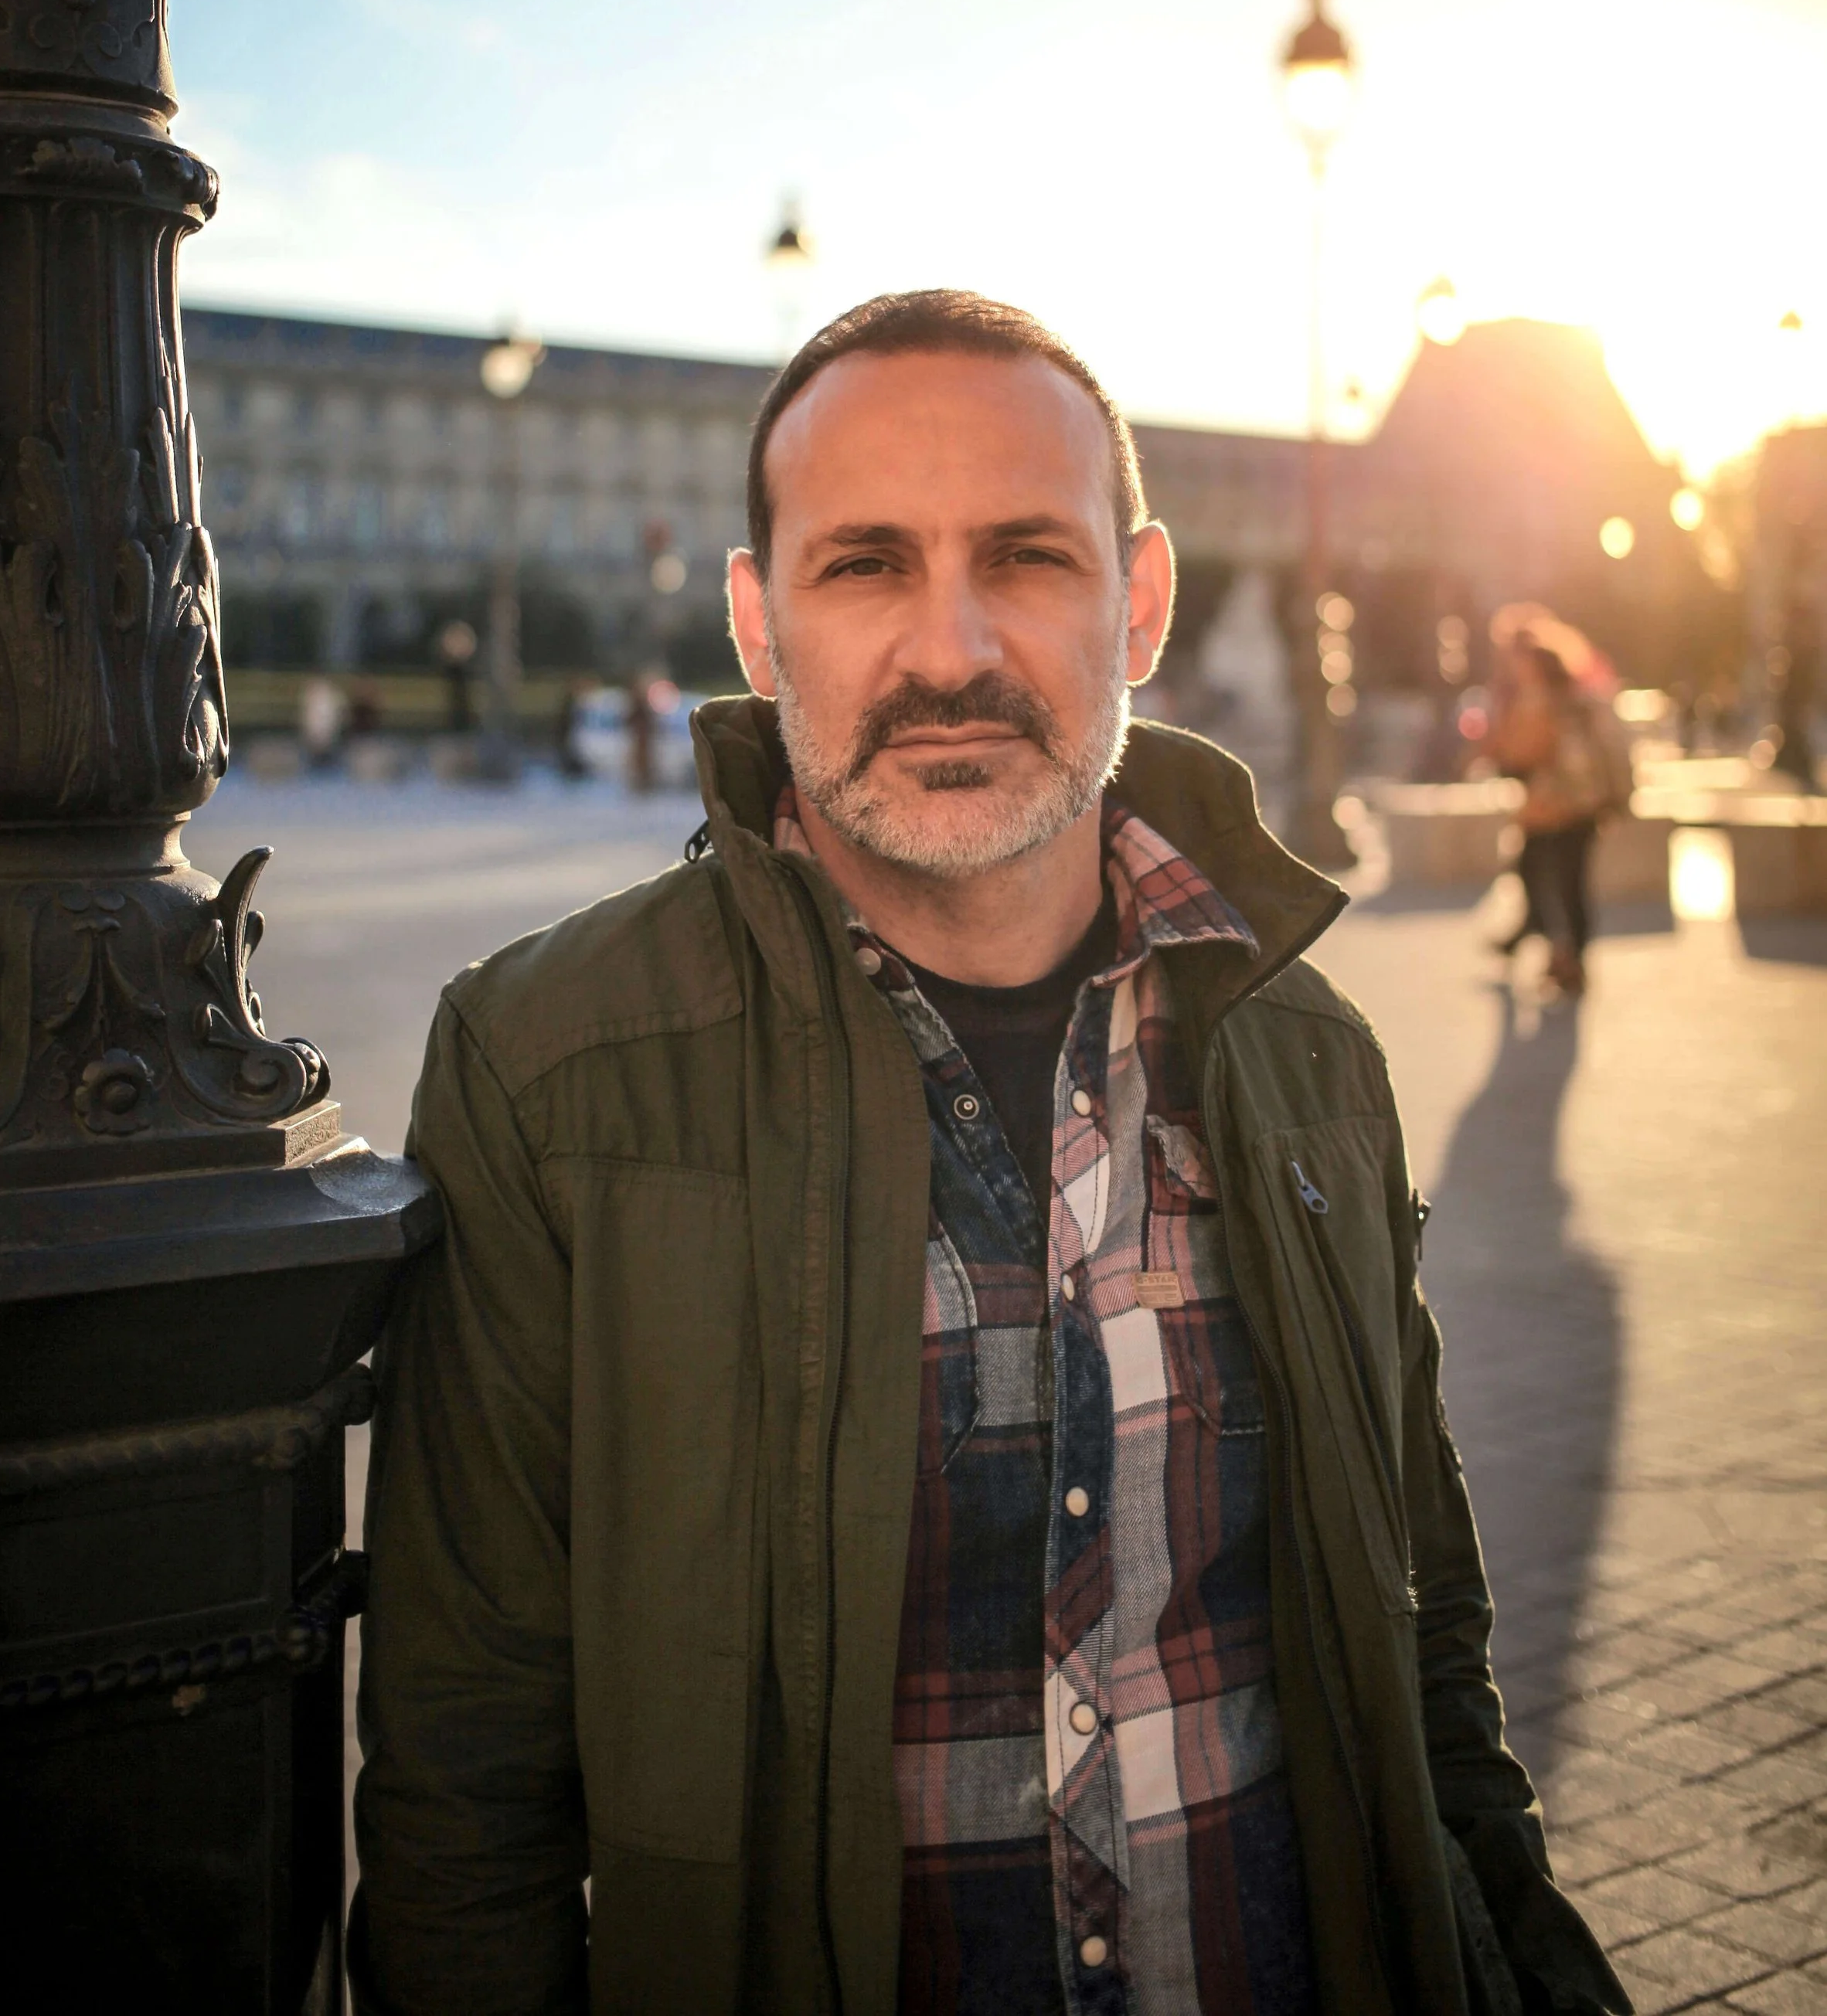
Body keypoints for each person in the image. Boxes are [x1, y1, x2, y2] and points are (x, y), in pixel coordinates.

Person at [352, 291, 1628, 2016]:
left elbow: (1422, 1645)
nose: (947, 647)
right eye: (863, 563)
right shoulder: (544, 1070)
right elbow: (467, 1776)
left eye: (1025, 557)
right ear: (756, 621)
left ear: (1143, 603)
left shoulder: (1307, 1049)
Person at [1487, 616, 1631, 999]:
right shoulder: (1580, 698)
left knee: (1537, 875)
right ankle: (1568, 957)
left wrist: (1499, 753)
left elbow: (1521, 752)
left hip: (1550, 809)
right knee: (1572, 883)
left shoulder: (1538, 700)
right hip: (1586, 806)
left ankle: (1559, 953)